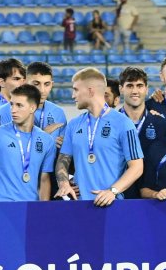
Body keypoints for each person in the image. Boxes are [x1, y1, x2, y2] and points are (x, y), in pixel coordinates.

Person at [56, 68, 144, 205]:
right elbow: (63, 160)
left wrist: (112, 191)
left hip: (112, 205)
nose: (73, 95)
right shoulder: (74, 125)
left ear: (90, 91)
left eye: (76, 90)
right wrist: (63, 184)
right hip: (79, 205)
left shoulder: (123, 123)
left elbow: (137, 166)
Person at [0, 84, 56, 202]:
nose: (13, 110)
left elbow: (44, 178)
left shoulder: (46, 140)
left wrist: (42, 208)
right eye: (11, 104)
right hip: (1, 208)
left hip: (30, 209)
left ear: (32, 108)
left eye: (19, 105)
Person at [117, 67, 166, 198]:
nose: (135, 91)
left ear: (146, 89)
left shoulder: (161, 124)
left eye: (139, 86)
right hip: (118, 193)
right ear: (121, 89)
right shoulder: (110, 123)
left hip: (153, 195)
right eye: (129, 86)